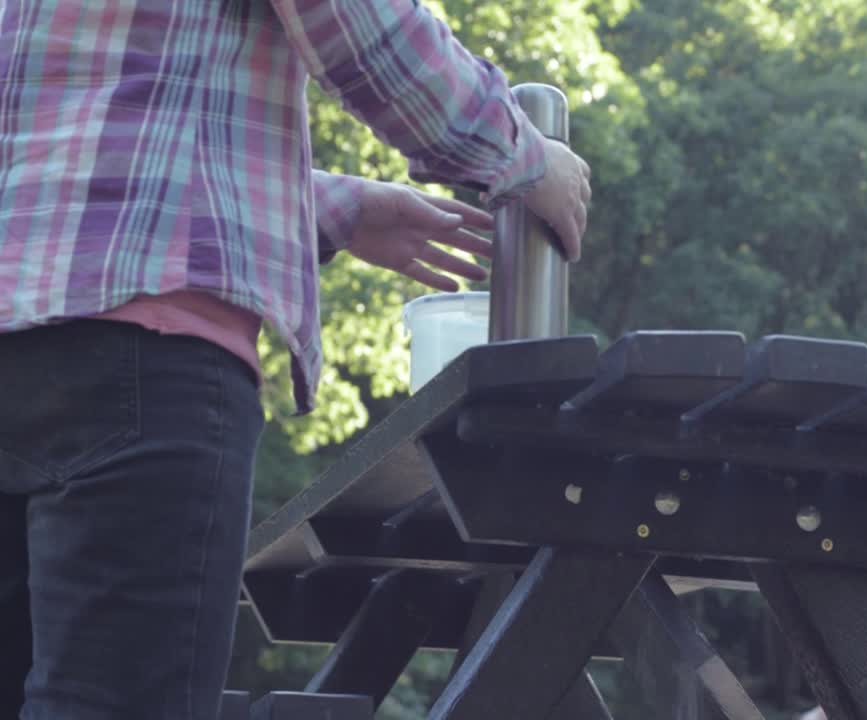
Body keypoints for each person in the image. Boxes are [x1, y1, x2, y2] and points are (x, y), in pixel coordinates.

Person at [0, 0, 591, 717]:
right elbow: (358, 24)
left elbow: (72, 141)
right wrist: (525, 156)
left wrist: (336, 206)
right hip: (140, 364)